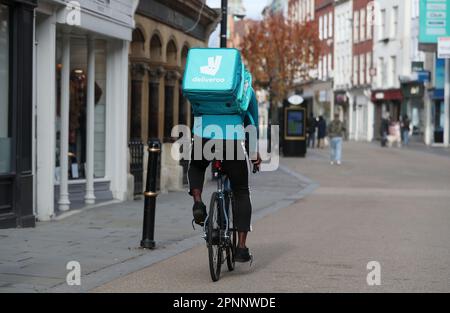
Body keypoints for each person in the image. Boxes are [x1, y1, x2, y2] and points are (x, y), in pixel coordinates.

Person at [187, 90, 261, 263]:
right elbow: (251, 121)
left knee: (196, 166)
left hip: (204, 137)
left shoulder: (205, 83)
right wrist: (253, 152)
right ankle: (241, 248)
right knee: (241, 191)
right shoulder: (244, 85)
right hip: (231, 140)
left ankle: (197, 202)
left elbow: (196, 110)